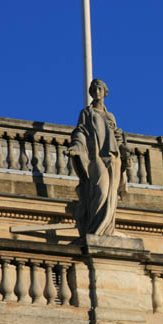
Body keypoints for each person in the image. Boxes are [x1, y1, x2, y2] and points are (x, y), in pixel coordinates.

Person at [66, 79, 131, 237]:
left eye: (99, 89)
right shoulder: (87, 113)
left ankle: (107, 229)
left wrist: (123, 147)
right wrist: (77, 146)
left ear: (105, 92)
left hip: (113, 157)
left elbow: (117, 137)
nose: (97, 92)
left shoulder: (110, 116)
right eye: (94, 89)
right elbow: (80, 131)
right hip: (96, 157)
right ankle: (96, 228)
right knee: (101, 191)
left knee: (111, 194)